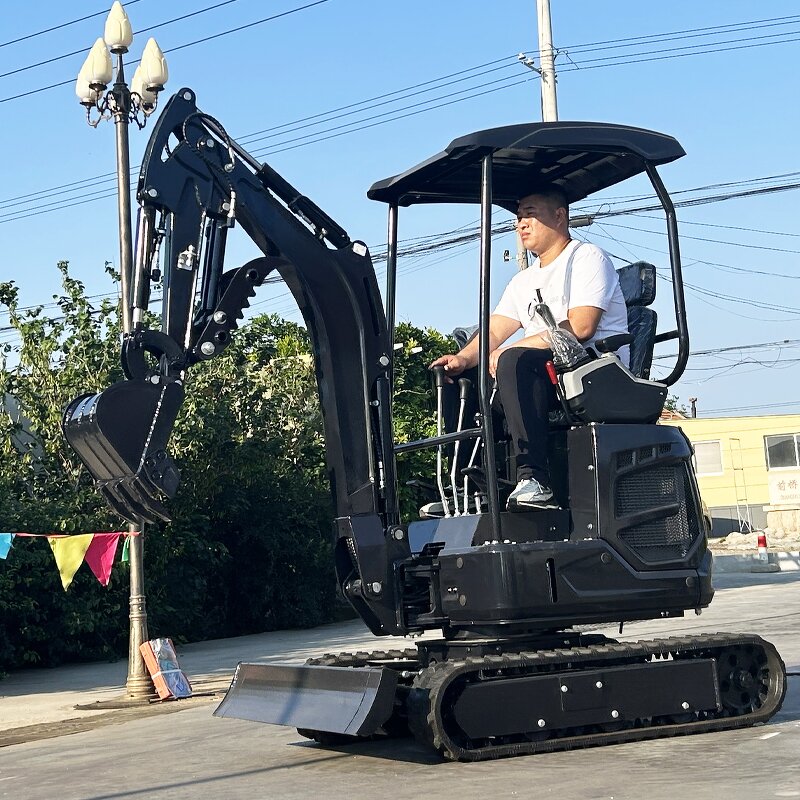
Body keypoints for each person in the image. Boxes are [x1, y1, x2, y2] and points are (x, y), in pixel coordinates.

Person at [430, 185, 629, 510]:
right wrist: (463, 358)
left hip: (595, 370)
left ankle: (535, 480)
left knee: (515, 361)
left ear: (559, 216)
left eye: (530, 215)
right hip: (545, 373)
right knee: (461, 379)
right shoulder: (523, 280)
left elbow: (580, 327)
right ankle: (467, 488)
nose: (520, 224)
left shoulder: (587, 257)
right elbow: (495, 328)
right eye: (518, 218)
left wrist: (510, 352)